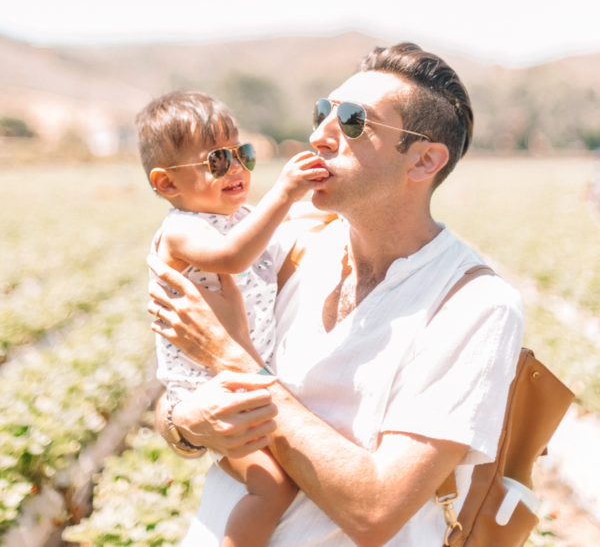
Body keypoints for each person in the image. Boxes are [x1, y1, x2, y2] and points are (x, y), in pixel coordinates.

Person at [147, 44, 524, 546]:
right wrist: (187, 423)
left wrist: (230, 356)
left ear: (423, 160)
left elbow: (376, 511)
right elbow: (176, 400)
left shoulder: (474, 305)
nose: (318, 136)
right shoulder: (288, 251)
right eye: (323, 112)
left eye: (351, 122)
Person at [135, 90, 329, 547]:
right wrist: (284, 192)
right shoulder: (181, 229)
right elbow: (234, 255)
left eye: (242, 155)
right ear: (166, 184)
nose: (238, 169)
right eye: (217, 162)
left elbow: (270, 237)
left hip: (237, 375)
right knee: (274, 488)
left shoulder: (235, 215)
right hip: (209, 388)